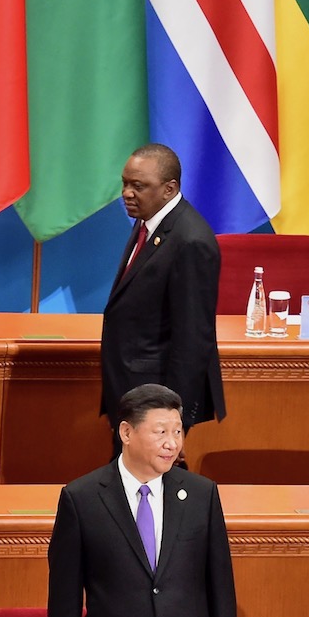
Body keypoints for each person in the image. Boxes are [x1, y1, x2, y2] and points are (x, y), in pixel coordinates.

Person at [48, 383, 239, 617]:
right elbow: (64, 595)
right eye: (160, 432)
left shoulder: (201, 494)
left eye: (178, 432)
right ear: (126, 432)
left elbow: (219, 581)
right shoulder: (81, 498)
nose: (171, 443)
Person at [99, 144, 225, 442]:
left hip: (154, 399)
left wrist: (173, 422)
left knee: (151, 480)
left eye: (138, 186)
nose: (127, 193)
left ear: (169, 189)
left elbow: (192, 340)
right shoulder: (149, 221)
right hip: (133, 391)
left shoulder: (191, 241)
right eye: (125, 183)